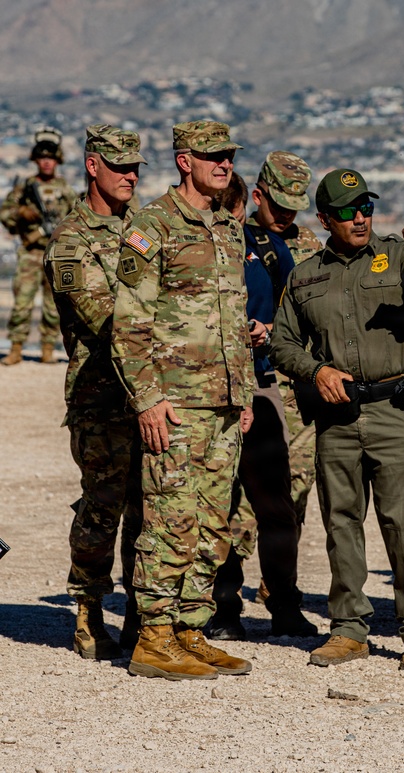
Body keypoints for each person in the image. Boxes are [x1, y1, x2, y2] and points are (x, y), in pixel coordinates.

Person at [270, 168, 404, 673]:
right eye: (349, 211)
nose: (361, 218)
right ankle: (349, 629)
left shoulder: (396, 254)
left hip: (396, 412)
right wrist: (316, 369)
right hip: (339, 416)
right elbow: (284, 343)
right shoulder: (304, 274)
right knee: (341, 523)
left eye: (366, 207)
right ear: (326, 218)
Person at [112, 120, 255, 681]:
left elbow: (233, 320)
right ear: (183, 160)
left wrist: (241, 392)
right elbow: (129, 323)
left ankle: (191, 628)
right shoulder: (153, 226)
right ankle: (152, 635)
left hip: (222, 403)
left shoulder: (226, 227)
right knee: (170, 518)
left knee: (213, 521)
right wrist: (146, 399)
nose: (224, 164)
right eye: (213, 156)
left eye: (229, 156)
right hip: (174, 404)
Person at [42, 124, 147, 659]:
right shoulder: (71, 241)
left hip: (148, 394)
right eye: (120, 166)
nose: (130, 176)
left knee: (146, 507)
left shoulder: (145, 228)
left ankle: (137, 613)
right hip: (100, 397)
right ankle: (86, 609)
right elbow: (106, 320)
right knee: (103, 507)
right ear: (92, 166)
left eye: (135, 168)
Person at [206, 172, 318, 641]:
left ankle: (284, 603)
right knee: (225, 502)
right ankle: (223, 604)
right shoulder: (207, 250)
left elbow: (300, 310)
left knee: (276, 503)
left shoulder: (270, 251)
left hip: (265, 383)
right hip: (217, 389)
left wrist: (266, 332)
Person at [247, 152, 323, 564]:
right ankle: (228, 590)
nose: (285, 215)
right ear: (258, 196)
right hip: (250, 383)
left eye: (294, 207)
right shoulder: (232, 239)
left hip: (295, 386)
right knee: (241, 496)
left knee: (296, 485)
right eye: (278, 206)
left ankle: (280, 585)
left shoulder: (308, 245)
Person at [1, 127, 77, 365]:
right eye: (43, 158)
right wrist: (21, 213)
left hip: (55, 253)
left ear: (58, 161)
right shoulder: (25, 188)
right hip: (30, 252)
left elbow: (76, 217)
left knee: (53, 305)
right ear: (36, 160)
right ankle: (15, 347)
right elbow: (6, 214)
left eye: (51, 158)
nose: (47, 163)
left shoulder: (65, 190)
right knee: (22, 302)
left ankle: (47, 348)